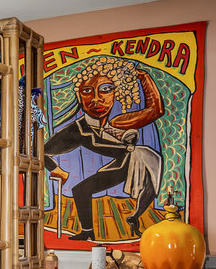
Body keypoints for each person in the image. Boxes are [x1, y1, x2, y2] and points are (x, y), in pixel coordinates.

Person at [44, 57, 165, 240]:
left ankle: (133, 217)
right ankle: (88, 231)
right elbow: (42, 151)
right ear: (79, 96)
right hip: (124, 164)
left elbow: (156, 110)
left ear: (116, 93)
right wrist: (57, 170)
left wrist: (144, 78)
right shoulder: (78, 129)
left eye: (106, 89)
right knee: (81, 190)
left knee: (148, 188)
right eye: (87, 91)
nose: (96, 99)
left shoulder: (118, 122)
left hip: (141, 160)